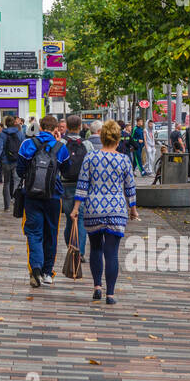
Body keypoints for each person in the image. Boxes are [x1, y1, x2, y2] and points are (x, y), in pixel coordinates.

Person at [72, 120, 138, 304]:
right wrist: (133, 209)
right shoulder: (124, 160)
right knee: (112, 252)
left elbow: (82, 185)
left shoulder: (90, 158)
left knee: (95, 248)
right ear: (118, 139)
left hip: (94, 209)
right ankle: (110, 294)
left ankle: (97, 287)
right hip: (116, 209)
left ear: (101, 137)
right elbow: (130, 187)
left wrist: (76, 208)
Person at [16, 114, 73, 287]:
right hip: (54, 196)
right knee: (51, 233)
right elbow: (67, 170)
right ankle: (48, 272)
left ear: (40, 127)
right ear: (56, 129)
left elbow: (20, 170)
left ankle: (36, 268)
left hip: (32, 196)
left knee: (33, 233)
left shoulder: (27, 144)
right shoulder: (61, 147)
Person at [58, 115, 91, 264]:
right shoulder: (87, 144)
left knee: (69, 219)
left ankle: (71, 247)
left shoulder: (61, 143)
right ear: (80, 126)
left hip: (65, 185)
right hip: (82, 186)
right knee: (81, 219)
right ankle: (80, 251)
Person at [0, 114, 25, 213]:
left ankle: (7, 206)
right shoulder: (19, 133)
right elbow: (23, 146)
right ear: (14, 123)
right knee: (16, 181)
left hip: (6, 161)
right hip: (17, 161)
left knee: (6, 183)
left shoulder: (3, 134)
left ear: (6, 124)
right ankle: (16, 202)